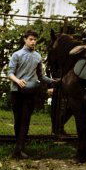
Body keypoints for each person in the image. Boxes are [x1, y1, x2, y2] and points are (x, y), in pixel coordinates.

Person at [6, 29, 53, 158]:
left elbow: (41, 76)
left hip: (30, 92)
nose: (33, 42)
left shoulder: (38, 56)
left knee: (26, 120)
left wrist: (54, 81)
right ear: (25, 40)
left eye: (35, 39)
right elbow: (10, 73)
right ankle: (18, 147)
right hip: (16, 91)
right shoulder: (17, 55)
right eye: (31, 39)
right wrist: (17, 81)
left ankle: (19, 149)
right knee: (18, 120)